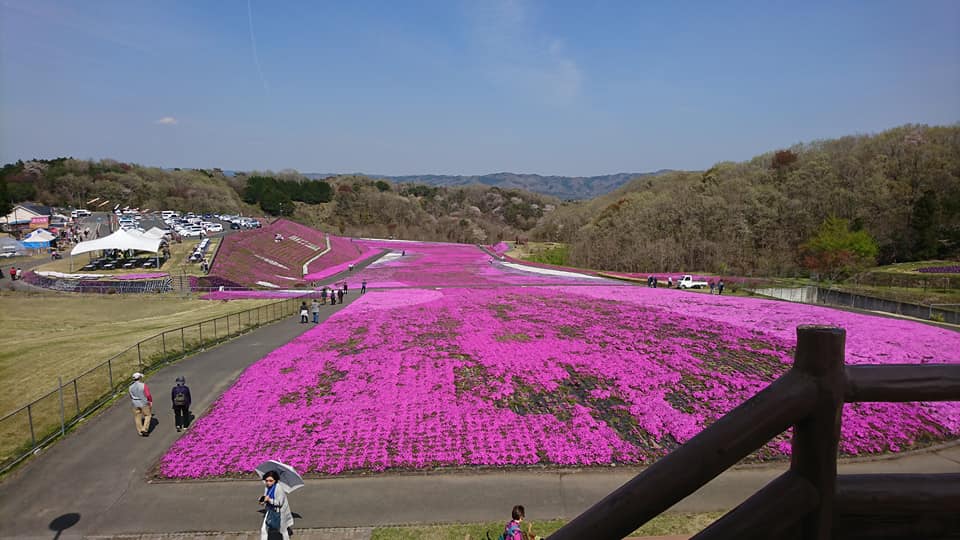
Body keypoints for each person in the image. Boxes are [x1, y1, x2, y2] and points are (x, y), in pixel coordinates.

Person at [259, 470, 295, 540]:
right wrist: (263, 501)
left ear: (275, 480)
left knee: (283, 530)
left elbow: (279, 503)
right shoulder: (267, 487)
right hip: (270, 510)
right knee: (264, 529)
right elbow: (265, 496)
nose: (268, 482)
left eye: (270, 481)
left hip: (280, 512)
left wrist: (269, 500)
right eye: (266, 480)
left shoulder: (279, 488)